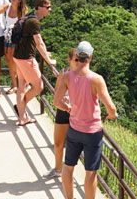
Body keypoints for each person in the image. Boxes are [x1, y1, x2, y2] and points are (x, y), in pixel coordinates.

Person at [54, 41, 118, 199]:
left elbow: (56, 101)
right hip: (92, 131)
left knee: (68, 167)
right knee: (91, 172)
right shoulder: (96, 79)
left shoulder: (67, 76)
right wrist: (112, 115)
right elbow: (110, 107)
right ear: (90, 57)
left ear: (76, 57)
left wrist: (68, 108)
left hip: (74, 129)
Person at [14, 0, 55, 127]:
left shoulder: (29, 16)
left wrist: (44, 53)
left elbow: (31, 41)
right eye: (48, 7)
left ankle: (22, 117)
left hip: (18, 56)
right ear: (40, 7)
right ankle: (21, 109)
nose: (50, 10)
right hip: (26, 59)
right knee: (39, 87)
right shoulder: (34, 22)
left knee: (22, 87)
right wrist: (48, 60)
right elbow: (39, 42)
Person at [46, 48, 77, 178]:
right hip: (63, 109)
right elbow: (57, 90)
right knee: (58, 143)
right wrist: (63, 98)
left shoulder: (84, 75)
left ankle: (70, 170)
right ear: (69, 60)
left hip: (77, 112)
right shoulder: (63, 73)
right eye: (76, 59)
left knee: (74, 144)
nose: (78, 62)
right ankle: (58, 168)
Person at [3, 0, 27, 94]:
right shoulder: (7, 7)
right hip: (7, 35)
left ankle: (20, 83)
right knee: (8, 60)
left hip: (16, 37)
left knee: (15, 61)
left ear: (19, 1)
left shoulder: (22, 11)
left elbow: (24, 25)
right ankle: (15, 84)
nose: (12, 0)